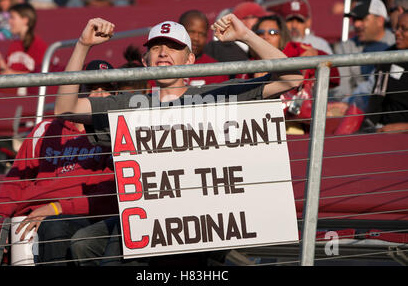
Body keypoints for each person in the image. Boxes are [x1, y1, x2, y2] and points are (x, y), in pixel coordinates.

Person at [52, 14, 302, 265]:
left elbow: (293, 78)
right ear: (146, 61)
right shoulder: (128, 104)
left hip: (203, 217)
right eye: (157, 48)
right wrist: (83, 45)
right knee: (83, 242)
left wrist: (247, 35)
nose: (163, 53)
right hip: (147, 214)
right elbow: (65, 109)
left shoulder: (217, 94)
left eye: (173, 47)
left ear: (191, 59)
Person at [0, 60, 118, 266]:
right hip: (28, 221)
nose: (98, 95)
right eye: (91, 88)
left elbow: (108, 196)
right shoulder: (45, 129)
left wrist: (56, 208)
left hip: (76, 217)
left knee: (54, 227)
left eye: (107, 90)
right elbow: (14, 182)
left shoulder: (113, 134)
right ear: (78, 91)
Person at [250, 14, 341, 133]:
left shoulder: (296, 51)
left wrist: (317, 54)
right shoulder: (250, 63)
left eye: (272, 32)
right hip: (262, 125)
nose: (266, 36)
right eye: (260, 32)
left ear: (282, 35)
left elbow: (335, 77)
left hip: (296, 123)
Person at [332, 0, 395, 109]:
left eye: (362, 19)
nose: (356, 24)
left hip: (388, 109)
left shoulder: (396, 43)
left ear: (380, 20)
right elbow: (341, 90)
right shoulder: (346, 47)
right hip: (352, 110)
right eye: (355, 19)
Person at [363, 10, 408, 134]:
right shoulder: (387, 57)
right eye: (396, 27)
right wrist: (368, 127)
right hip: (385, 130)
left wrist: (403, 127)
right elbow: (377, 98)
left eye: (403, 29)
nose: (397, 33)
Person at [205, 1, 270, 63]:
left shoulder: (258, 47)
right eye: (259, 18)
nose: (265, 23)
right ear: (243, 20)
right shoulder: (218, 48)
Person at [179, 9, 228, 86]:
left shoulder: (216, 69)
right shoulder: (165, 62)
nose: (196, 38)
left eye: (202, 34)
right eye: (191, 32)